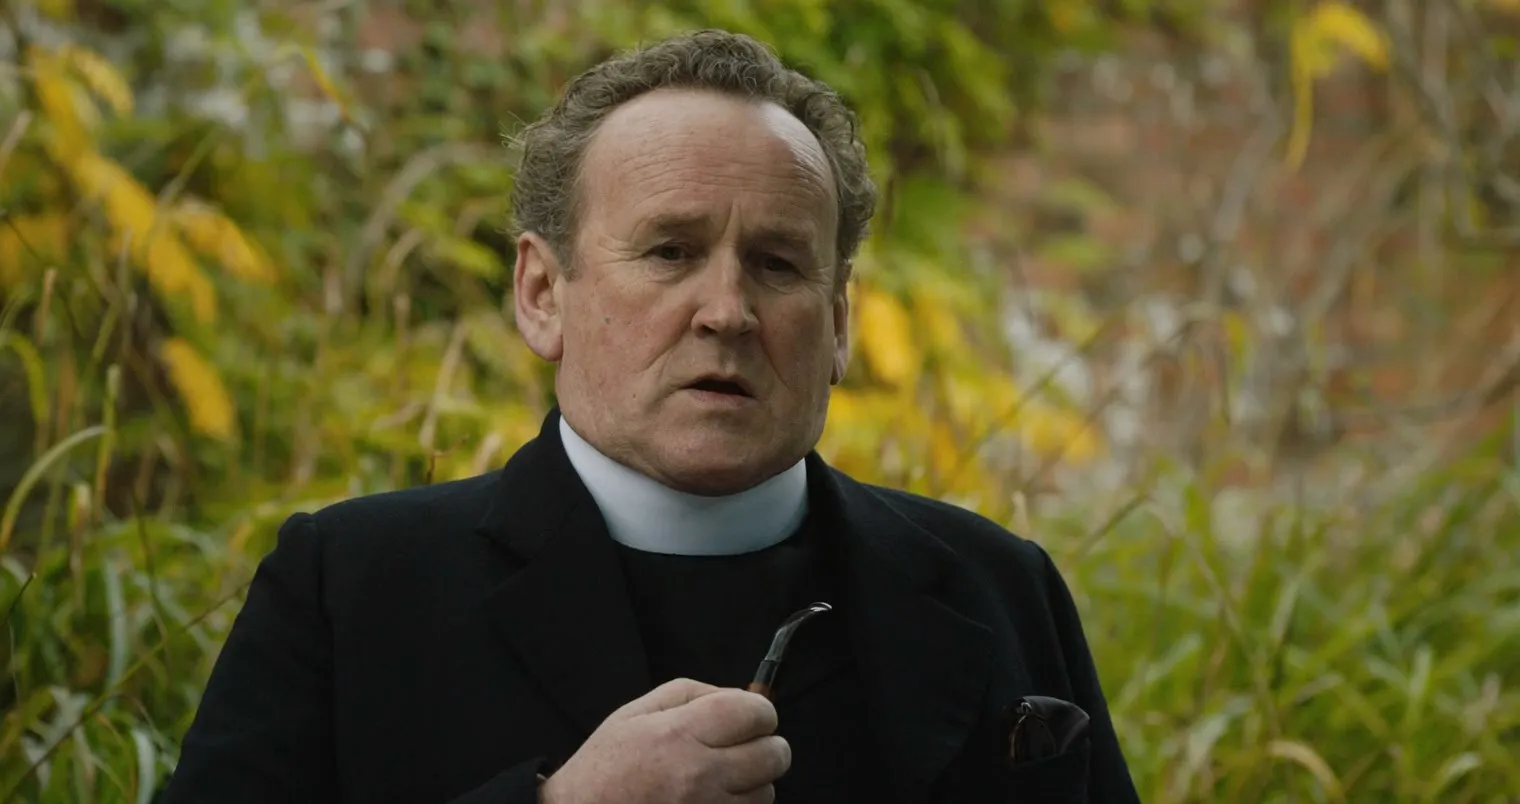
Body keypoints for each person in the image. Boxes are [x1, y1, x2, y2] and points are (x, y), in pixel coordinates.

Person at [159, 28, 1139, 804]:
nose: (728, 311)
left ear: (838, 323)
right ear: (542, 293)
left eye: (778, 263)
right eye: (671, 252)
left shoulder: (1000, 586)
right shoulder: (350, 590)